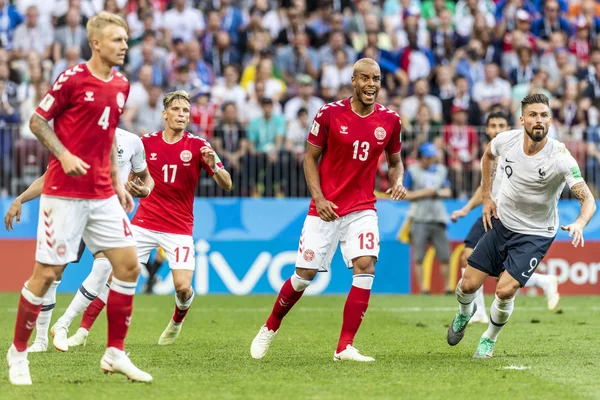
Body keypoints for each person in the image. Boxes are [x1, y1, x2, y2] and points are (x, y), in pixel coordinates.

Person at [6, 12, 152, 385]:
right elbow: (37, 121)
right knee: (48, 274)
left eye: (126, 39)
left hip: (103, 192)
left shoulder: (121, 84)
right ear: (97, 43)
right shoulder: (72, 79)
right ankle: (18, 353)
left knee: (129, 265)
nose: (124, 46)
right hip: (64, 193)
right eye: (117, 40)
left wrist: (118, 184)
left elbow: (106, 141)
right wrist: (63, 153)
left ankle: (115, 352)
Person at [250, 58, 407, 362]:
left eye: (376, 79)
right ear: (353, 80)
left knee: (366, 266)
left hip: (362, 208)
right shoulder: (329, 113)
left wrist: (397, 180)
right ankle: (270, 327)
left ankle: (344, 347)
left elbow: (396, 160)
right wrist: (319, 198)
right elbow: (310, 158)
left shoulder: (390, 120)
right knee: (304, 275)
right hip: (326, 207)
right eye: (365, 78)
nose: (371, 85)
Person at [446, 94, 596, 358]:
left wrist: (580, 223)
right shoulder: (506, 140)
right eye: (534, 115)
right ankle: (464, 312)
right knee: (468, 285)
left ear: (550, 119)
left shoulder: (561, 157)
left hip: (536, 234)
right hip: (503, 223)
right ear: (522, 119)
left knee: (504, 290)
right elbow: (487, 156)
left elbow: (588, 199)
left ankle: (489, 338)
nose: (539, 120)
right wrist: (487, 197)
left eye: (544, 115)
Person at [4, 128, 153, 352]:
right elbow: (49, 177)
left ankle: (63, 324)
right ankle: (41, 340)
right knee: (53, 273)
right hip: (71, 209)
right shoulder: (72, 136)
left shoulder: (132, 141)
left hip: (106, 211)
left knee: (105, 265)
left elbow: (145, 176)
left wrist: (145, 191)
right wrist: (20, 198)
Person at [132, 90, 232, 345]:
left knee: (183, 288)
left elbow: (227, 183)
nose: (181, 114)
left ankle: (177, 321)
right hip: (145, 222)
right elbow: (130, 178)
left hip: (179, 227)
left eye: (185, 111)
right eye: (176, 109)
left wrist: (215, 165)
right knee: (114, 274)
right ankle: (83, 330)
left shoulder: (200, 146)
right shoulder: (146, 142)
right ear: (165, 114)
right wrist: (129, 188)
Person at [450, 111, 560, 324]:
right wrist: (465, 209)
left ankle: (481, 311)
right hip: (491, 213)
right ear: (488, 129)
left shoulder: (515, 151)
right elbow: (485, 188)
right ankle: (481, 309)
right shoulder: (493, 154)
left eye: (502, 125)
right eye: (493, 125)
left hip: (508, 217)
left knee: (495, 271)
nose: (497, 129)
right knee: (474, 260)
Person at [403, 142, 453, 294]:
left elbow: (448, 192)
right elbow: (404, 194)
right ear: (420, 158)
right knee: (418, 256)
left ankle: (448, 288)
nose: (431, 160)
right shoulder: (412, 171)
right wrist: (422, 193)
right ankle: (423, 289)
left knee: (445, 255)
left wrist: (437, 192)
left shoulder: (441, 171)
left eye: (432, 157)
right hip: (419, 217)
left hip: (438, 217)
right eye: (427, 157)